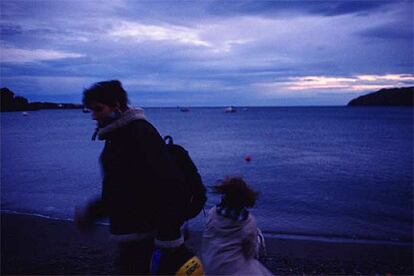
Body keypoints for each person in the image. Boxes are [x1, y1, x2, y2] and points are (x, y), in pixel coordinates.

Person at [75, 80, 187, 275]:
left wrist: (169, 236)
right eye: (90, 110)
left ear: (116, 105)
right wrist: (94, 212)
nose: (93, 115)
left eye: (98, 109)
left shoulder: (139, 133)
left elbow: (170, 181)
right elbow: (121, 188)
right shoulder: (117, 134)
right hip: (131, 232)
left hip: (146, 234)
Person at [201, 177, 273, 275]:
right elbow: (250, 251)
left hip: (210, 262)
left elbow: (207, 236)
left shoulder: (212, 213)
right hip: (234, 269)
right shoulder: (248, 221)